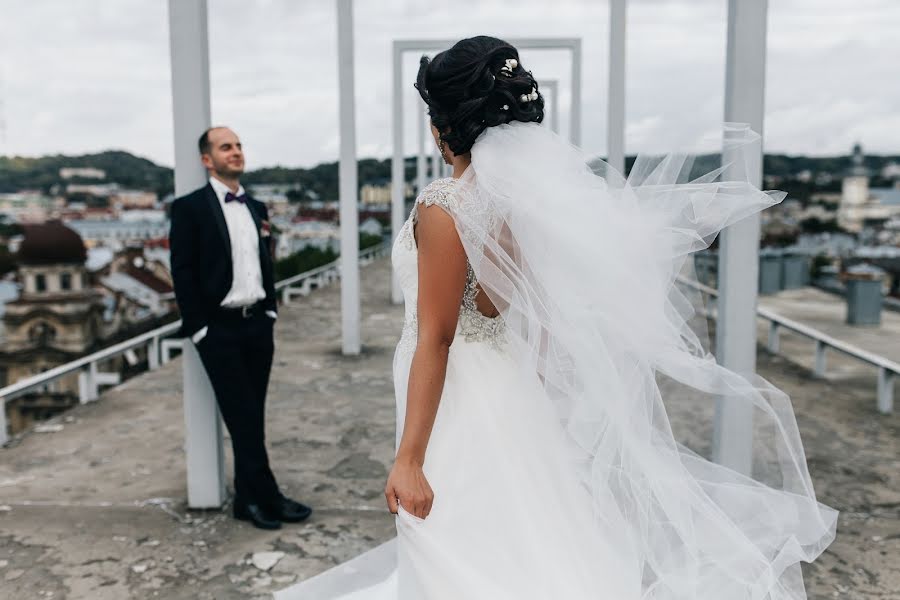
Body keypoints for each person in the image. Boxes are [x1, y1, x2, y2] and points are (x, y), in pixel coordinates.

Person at [278, 37, 836, 599]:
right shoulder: (521, 206)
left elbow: (438, 337)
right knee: (515, 533)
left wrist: (409, 458)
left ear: (445, 122)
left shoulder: (444, 204)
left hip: (457, 398)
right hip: (508, 386)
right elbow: (537, 321)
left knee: (447, 530)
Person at [169, 126, 311, 530]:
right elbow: (182, 271)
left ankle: (249, 500)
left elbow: (264, 263)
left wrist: (269, 312)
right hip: (219, 331)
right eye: (225, 147)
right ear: (207, 159)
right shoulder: (189, 208)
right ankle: (267, 497)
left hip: (257, 326)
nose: (235, 152)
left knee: (253, 417)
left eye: (238, 146)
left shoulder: (257, 207)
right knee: (243, 417)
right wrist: (199, 329)